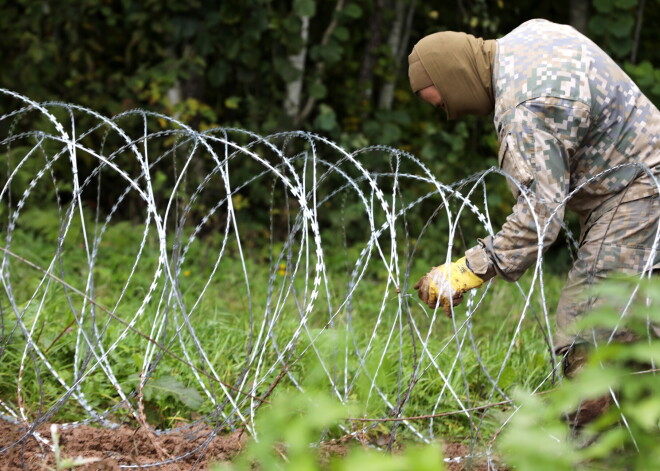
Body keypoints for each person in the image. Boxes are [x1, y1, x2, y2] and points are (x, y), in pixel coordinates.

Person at [408, 19, 660, 420]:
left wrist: (466, 271)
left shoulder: (523, 107)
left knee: (590, 326)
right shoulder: (526, 39)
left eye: (441, 102)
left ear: (454, 75)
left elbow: (539, 219)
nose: (448, 114)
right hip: (638, 182)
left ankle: (603, 454)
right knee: (635, 322)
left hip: (638, 193)